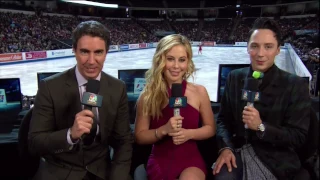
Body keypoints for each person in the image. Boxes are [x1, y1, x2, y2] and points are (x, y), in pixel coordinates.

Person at [28, 20, 133, 180]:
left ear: (106, 53)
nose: (91, 61)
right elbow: (35, 142)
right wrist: (70, 135)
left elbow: (123, 140)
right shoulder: (50, 87)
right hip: (59, 171)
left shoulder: (117, 88)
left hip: (100, 171)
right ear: (74, 51)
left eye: (98, 52)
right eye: (84, 52)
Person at [213, 18, 311, 180]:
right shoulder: (234, 78)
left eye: (268, 47)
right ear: (247, 47)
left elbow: (298, 137)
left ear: (278, 49)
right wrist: (225, 148)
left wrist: (261, 127)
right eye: (255, 46)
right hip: (237, 151)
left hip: (277, 159)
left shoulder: (295, 85)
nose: (260, 54)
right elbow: (223, 120)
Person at [135, 34, 216, 180]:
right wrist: (163, 130)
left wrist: (189, 134)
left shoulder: (200, 92)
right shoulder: (147, 96)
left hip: (191, 161)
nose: (176, 66)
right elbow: (140, 136)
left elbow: (210, 128)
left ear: (188, 62)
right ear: (160, 59)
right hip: (160, 160)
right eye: (170, 59)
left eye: (182, 60)